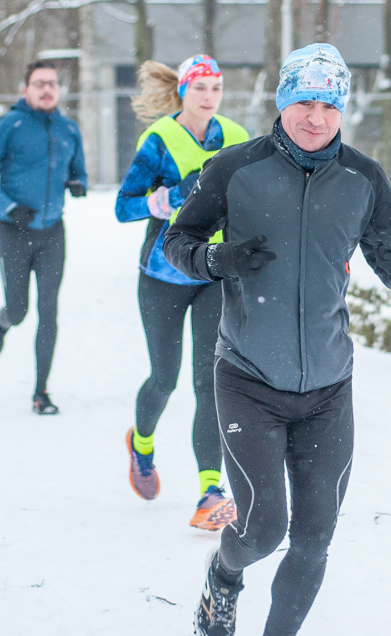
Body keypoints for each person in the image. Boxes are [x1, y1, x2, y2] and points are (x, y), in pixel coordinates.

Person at [163, 43, 391, 636]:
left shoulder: (363, 178)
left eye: (329, 104)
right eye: (304, 101)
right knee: (262, 531)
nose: (316, 117)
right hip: (249, 380)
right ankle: (225, 575)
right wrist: (217, 258)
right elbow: (176, 243)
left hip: (329, 390)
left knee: (314, 541)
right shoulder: (236, 168)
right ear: (283, 102)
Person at [115, 54, 249, 531]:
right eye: (200, 89)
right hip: (163, 276)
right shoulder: (160, 140)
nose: (209, 97)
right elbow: (123, 206)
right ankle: (142, 443)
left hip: (213, 273)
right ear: (183, 92)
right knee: (165, 379)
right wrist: (173, 196)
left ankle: (210, 493)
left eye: (215, 88)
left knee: (208, 383)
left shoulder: (236, 138)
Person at [0, 61, 87, 415]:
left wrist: (78, 183)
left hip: (53, 232)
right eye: (39, 84)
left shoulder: (69, 129)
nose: (46, 89)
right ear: (25, 90)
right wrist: (8, 207)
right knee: (20, 309)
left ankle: (42, 392)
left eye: (52, 83)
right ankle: (1, 325)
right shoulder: (11, 124)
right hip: (13, 232)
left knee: (48, 311)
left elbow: (79, 170)